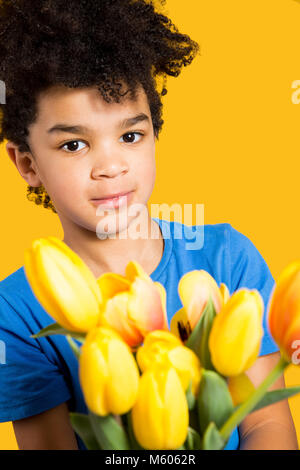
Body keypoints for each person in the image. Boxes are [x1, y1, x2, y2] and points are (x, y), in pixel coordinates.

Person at [0, 0, 297, 451]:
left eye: (130, 136)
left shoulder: (226, 258)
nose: (111, 166)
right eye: (75, 144)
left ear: (154, 133)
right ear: (27, 163)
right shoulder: (17, 312)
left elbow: (268, 426)